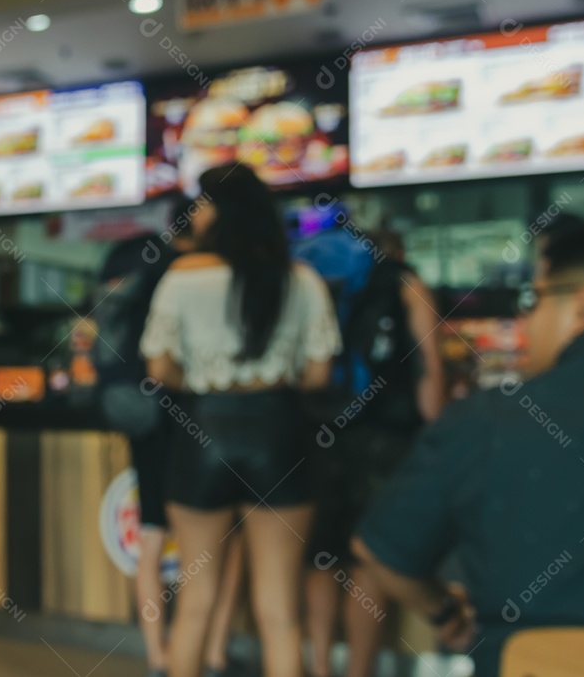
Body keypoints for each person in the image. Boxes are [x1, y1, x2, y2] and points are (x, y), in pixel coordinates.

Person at [352, 218, 584, 677]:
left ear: (582, 308)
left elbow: (381, 551)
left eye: (533, 300)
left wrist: (444, 614)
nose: (524, 319)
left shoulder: (488, 420)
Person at [140, 164, 341, 677]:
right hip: (278, 432)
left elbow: (159, 368)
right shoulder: (302, 279)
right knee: (279, 612)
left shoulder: (182, 277)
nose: (198, 212)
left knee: (196, 601)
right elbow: (318, 375)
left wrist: (209, 375)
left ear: (223, 212)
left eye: (204, 202)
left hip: (203, 431)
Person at [94, 196, 245, 677]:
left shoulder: (147, 269)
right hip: (192, 420)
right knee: (225, 541)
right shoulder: (201, 272)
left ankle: (161, 658)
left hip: (143, 420)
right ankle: (214, 654)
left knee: (153, 540)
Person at [302, 228, 445, 677]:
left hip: (320, 433)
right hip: (386, 438)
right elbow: (430, 371)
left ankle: (321, 667)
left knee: (320, 559)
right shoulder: (407, 284)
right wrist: (437, 433)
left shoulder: (315, 283)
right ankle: (359, 671)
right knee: (369, 561)